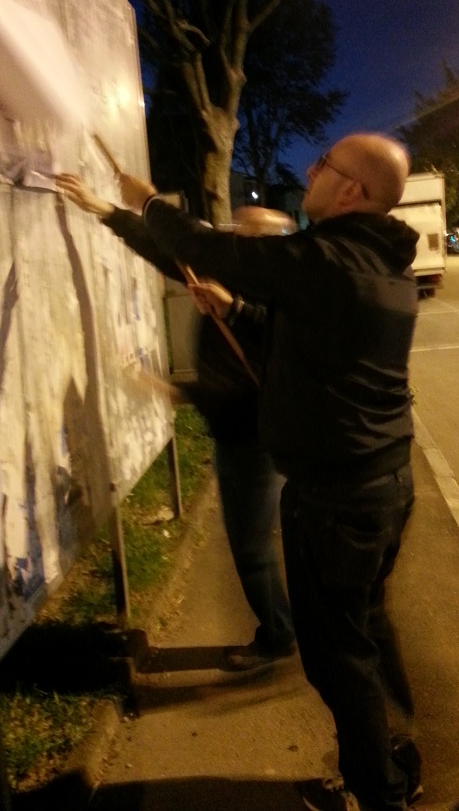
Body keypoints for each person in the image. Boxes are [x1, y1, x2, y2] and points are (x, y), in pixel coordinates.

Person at [60, 131, 421, 811]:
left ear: (351, 189)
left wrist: (148, 204)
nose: (310, 170)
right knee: (366, 632)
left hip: (337, 499)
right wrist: (232, 308)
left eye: (324, 163)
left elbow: (210, 251)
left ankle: (379, 794)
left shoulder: (328, 258)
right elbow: (300, 327)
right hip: (378, 486)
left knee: (337, 659)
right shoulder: (375, 261)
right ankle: (399, 757)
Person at [54, 177, 295, 670]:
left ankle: (279, 636)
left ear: (269, 246)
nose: (232, 239)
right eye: (234, 230)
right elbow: (167, 251)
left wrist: (175, 392)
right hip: (236, 437)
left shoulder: (276, 302)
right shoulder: (235, 275)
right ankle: (284, 629)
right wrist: (106, 209)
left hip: (252, 441)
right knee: (252, 541)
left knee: (251, 547)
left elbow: (252, 384)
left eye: (245, 234)